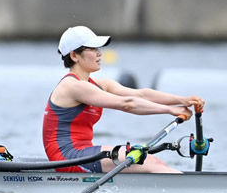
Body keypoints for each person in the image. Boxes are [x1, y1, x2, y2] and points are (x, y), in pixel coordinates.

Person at [42, 26, 204, 173]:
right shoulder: (72, 86)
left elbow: (139, 95)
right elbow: (126, 104)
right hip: (67, 157)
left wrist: (181, 100)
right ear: (74, 55)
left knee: (152, 161)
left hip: (83, 152)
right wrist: (170, 110)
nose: (99, 53)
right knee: (149, 163)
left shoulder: (99, 84)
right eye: (92, 49)